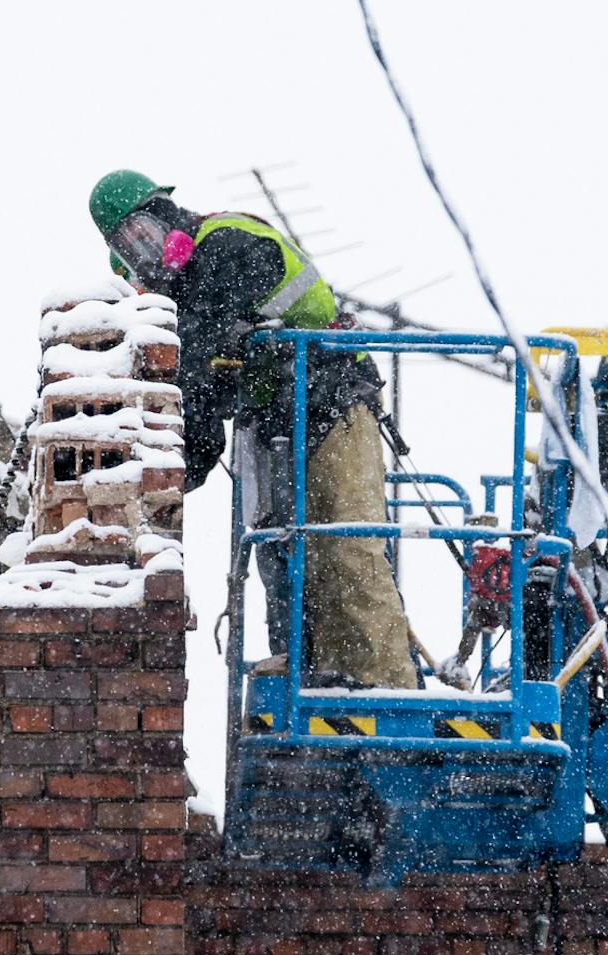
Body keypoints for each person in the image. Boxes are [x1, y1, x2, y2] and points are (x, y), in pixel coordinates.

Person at [89, 169, 417, 689]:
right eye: (129, 250)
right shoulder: (187, 295)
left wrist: (171, 469)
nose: (146, 254)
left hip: (333, 401)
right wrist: (161, 476)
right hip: (275, 425)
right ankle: (313, 675)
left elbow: (199, 362)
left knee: (347, 550)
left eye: (144, 235)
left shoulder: (229, 244)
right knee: (283, 552)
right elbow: (200, 397)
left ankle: (386, 687)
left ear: (165, 214)